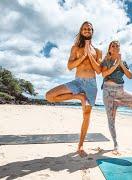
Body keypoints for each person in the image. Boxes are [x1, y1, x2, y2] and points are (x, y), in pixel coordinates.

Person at [45, 21, 102, 157]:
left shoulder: (98, 51)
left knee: (86, 115)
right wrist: (83, 56)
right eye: (84, 28)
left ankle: (80, 145)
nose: (87, 30)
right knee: (49, 95)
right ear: (81, 31)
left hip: (91, 85)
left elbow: (99, 70)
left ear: (92, 31)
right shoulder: (75, 48)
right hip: (77, 82)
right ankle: (79, 96)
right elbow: (70, 66)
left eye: (89, 28)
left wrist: (90, 54)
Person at [101, 40, 132, 154]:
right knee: (111, 120)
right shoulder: (106, 60)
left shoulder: (124, 62)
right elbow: (104, 74)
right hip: (108, 91)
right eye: (113, 46)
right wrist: (116, 64)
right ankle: (115, 143)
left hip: (120, 91)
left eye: (117, 46)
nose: (115, 47)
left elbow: (130, 76)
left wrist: (121, 63)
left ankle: (118, 103)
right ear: (110, 49)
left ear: (119, 49)